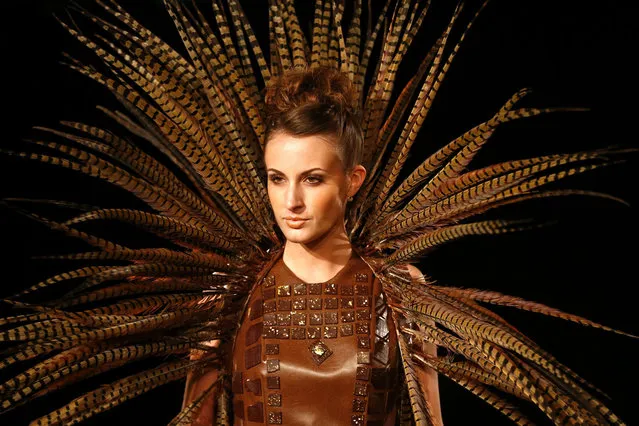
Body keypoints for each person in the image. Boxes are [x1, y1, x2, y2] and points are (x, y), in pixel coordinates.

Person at [182, 67, 443, 425]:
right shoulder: (226, 299)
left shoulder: (402, 292)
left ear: (352, 181)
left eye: (313, 179)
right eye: (277, 179)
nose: (291, 201)